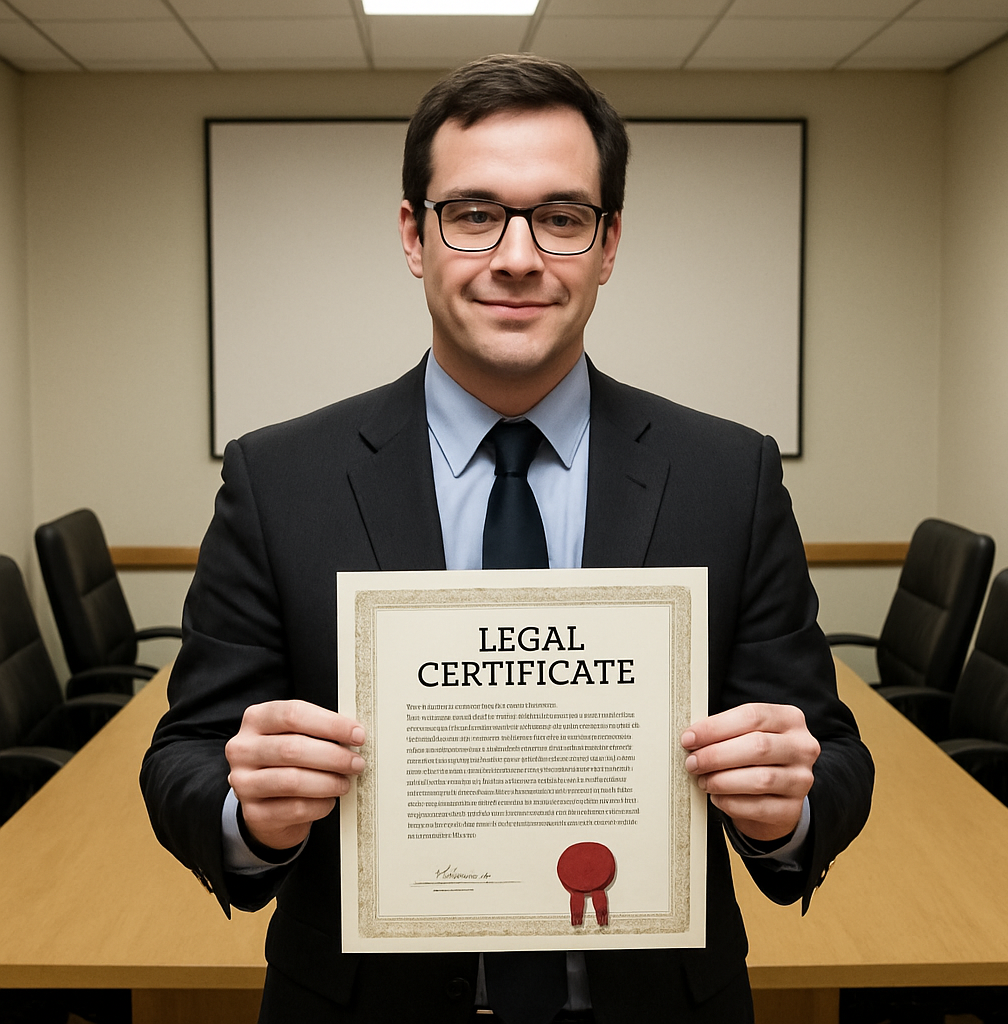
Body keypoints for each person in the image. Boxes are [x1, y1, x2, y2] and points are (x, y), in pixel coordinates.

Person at [141, 53, 873, 1024]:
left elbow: (833, 754)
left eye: (562, 218)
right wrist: (248, 814)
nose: (518, 256)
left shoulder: (726, 475)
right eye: (474, 213)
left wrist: (791, 804)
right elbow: (185, 752)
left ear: (608, 245)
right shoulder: (279, 478)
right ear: (414, 234)